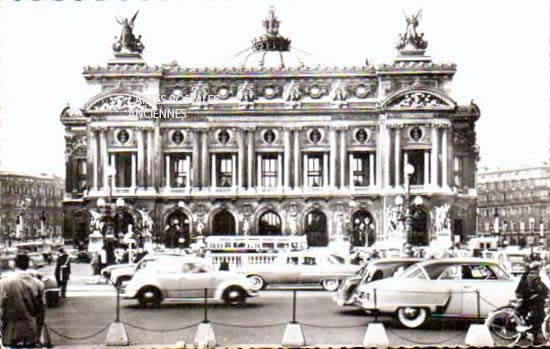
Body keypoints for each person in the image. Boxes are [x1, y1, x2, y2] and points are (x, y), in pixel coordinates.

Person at [0, 254, 45, 348]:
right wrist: (39, 330)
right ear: (28, 264)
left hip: (11, 329)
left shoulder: (5, 283)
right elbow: (41, 310)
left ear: (13, 265)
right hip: (31, 328)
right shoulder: (38, 284)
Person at [515, 261, 549, 345]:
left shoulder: (528, 274)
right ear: (538, 268)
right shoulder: (534, 275)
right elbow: (539, 287)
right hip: (530, 299)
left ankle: (527, 332)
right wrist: (546, 292)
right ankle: (533, 336)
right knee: (539, 317)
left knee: (529, 316)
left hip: (524, 297)